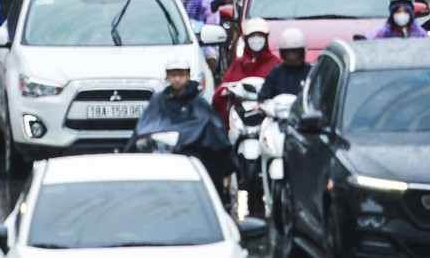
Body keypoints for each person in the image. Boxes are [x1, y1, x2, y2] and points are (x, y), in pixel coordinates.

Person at [128, 49, 234, 181]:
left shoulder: (198, 103)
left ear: (188, 75)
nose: (177, 78)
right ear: (167, 76)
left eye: (181, 74)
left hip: (194, 164)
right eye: (173, 74)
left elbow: (215, 133)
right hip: (160, 162)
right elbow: (144, 127)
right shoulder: (158, 101)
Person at [213, 18, 281, 120]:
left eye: (260, 35)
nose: (256, 39)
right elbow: (224, 87)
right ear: (246, 38)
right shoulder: (239, 63)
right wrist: (225, 91)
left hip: (268, 115)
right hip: (242, 113)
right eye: (252, 36)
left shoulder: (275, 63)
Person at [258, 27, 312, 102]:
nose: (291, 56)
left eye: (294, 52)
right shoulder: (276, 72)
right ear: (282, 53)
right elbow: (263, 97)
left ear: (302, 52)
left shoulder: (311, 73)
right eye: (287, 53)